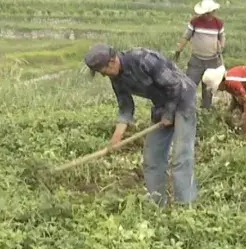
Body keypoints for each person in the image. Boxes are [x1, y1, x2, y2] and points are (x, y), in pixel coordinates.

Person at [84, 43, 197, 206]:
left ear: (112, 61)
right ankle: (158, 203)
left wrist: (169, 114)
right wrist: (116, 138)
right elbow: (125, 107)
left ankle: (186, 205)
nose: (103, 75)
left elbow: (175, 86)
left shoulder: (144, 59)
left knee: (181, 156)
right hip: (161, 103)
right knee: (152, 158)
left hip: (183, 98)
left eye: (103, 71)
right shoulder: (116, 77)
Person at [175, 0, 225, 109]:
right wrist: (179, 50)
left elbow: (221, 37)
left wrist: (221, 46)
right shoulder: (195, 22)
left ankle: (206, 111)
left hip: (212, 62)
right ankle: (187, 109)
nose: (207, 16)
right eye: (205, 14)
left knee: (208, 90)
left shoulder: (218, 23)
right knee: (189, 86)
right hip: (196, 60)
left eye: (209, 13)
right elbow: (186, 37)